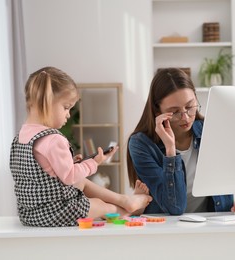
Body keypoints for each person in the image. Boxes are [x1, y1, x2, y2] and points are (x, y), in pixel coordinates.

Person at [10, 66, 152, 227]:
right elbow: (69, 177)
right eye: (66, 107)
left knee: (82, 183)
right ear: (46, 103)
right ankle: (129, 209)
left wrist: (71, 163)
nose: (68, 115)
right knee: (99, 204)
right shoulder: (53, 139)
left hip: (29, 213)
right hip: (56, 211)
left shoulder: (20, 138)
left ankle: (124, 200)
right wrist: (94, 162)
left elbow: (40, 174)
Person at [127, 68, 235, 215]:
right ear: (158, 111)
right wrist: (170, 151)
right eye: (175, 111)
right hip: (166, 227)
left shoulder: (213, 130)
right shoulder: (141, 144)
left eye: (190, 106)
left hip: (213, 224)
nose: (185, 117)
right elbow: (174, 207)